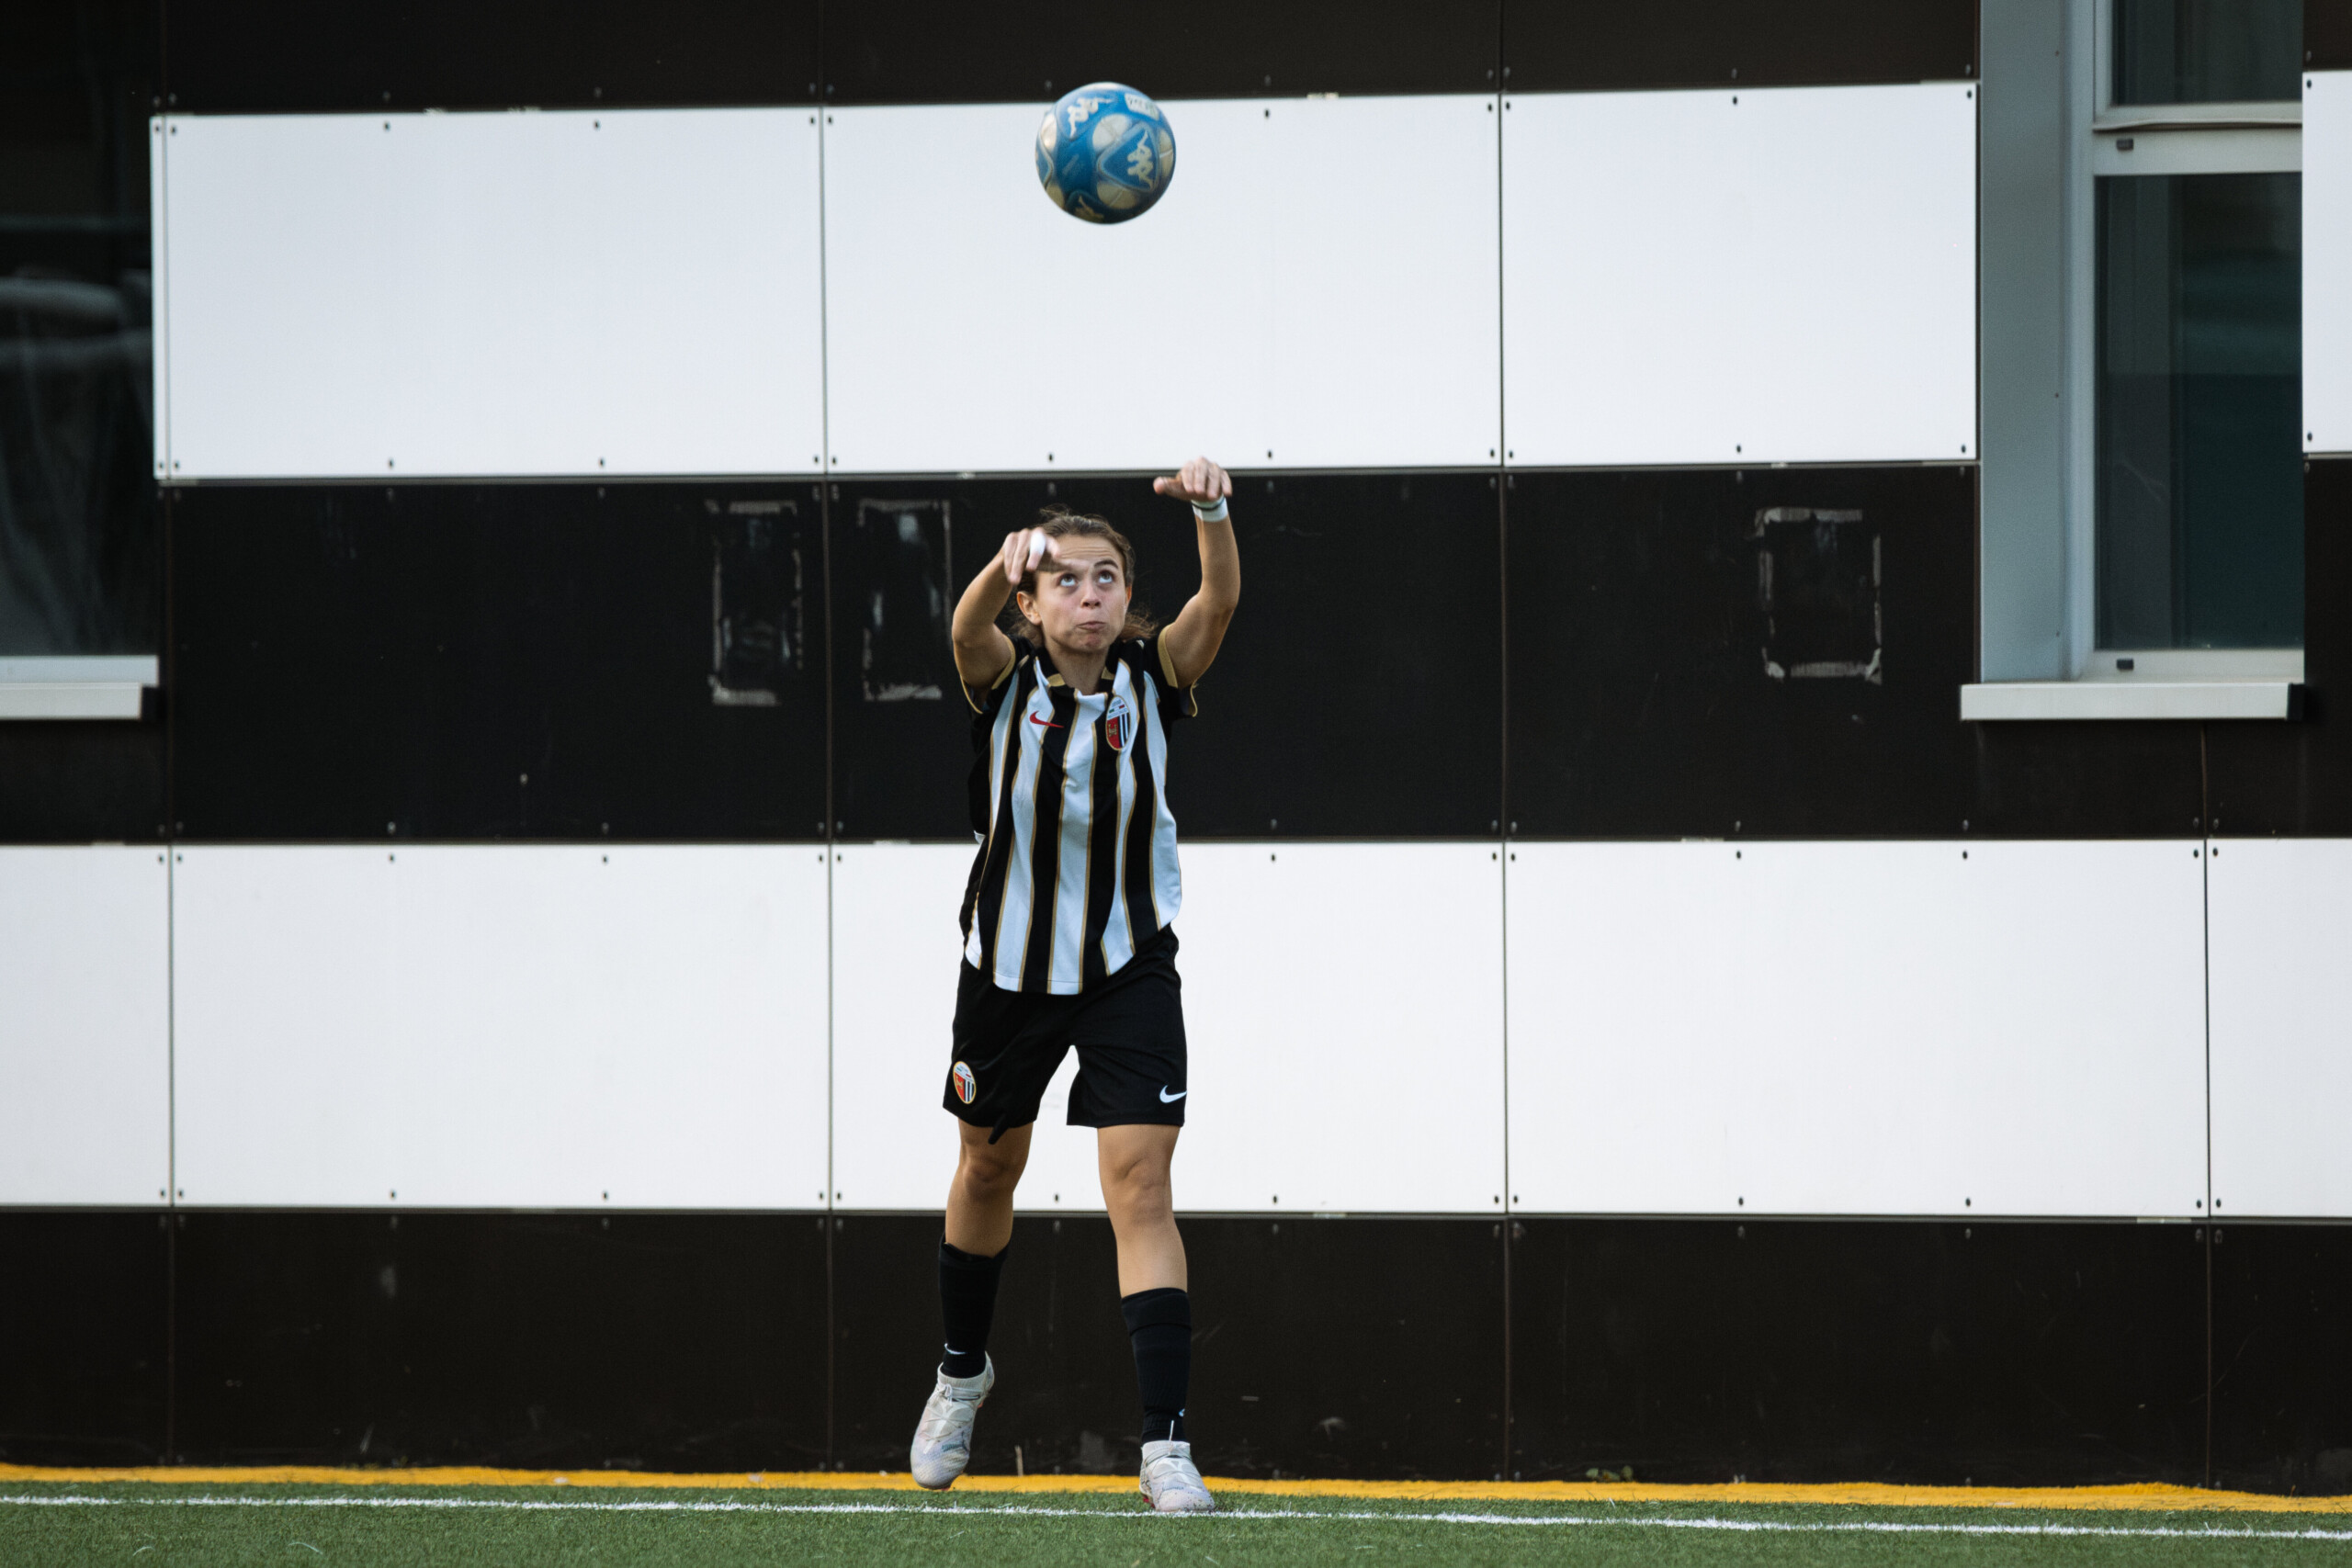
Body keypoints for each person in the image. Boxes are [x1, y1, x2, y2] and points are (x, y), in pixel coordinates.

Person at [909, 457, 1239, 1514]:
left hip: (1127, 963)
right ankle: (963, 1371)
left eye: (1104, 579)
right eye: (1063, 581)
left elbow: (1217, 598)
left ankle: (1165, 1446)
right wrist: (989, 574)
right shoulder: (1002, 678)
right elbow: (962, 635)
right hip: (1006, 969)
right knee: (987, 1170)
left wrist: (1212, 513)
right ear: (1030, 600)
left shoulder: (1155, 677)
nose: (1087, 596)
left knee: (1139, 1186)